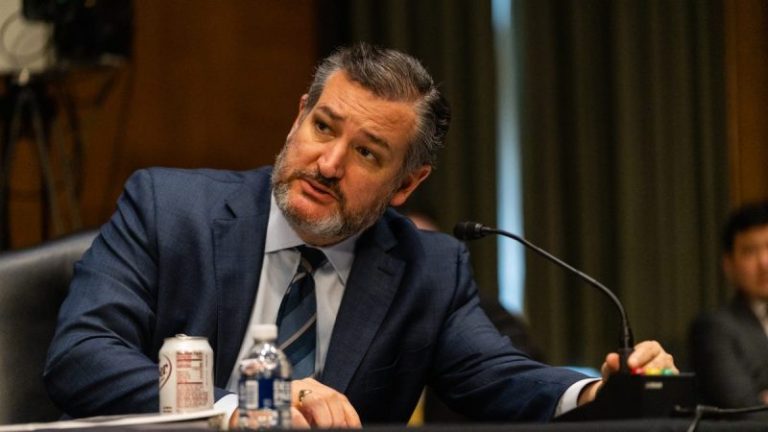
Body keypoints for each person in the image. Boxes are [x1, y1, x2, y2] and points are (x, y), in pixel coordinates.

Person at [44, 43, 676, 428]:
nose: (327, 163)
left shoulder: (429, 269)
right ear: (298, 116)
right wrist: (241, 409)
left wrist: (599, 393)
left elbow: (499, 377)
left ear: (406, 184)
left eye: (368, 153)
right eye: (323, 127)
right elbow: (81, 355)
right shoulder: (168, 208)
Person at [690, 201, 768, 409]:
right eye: (750, 252)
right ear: (729, 264)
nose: (764, 263)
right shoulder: (713, 327)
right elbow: (742, 407)